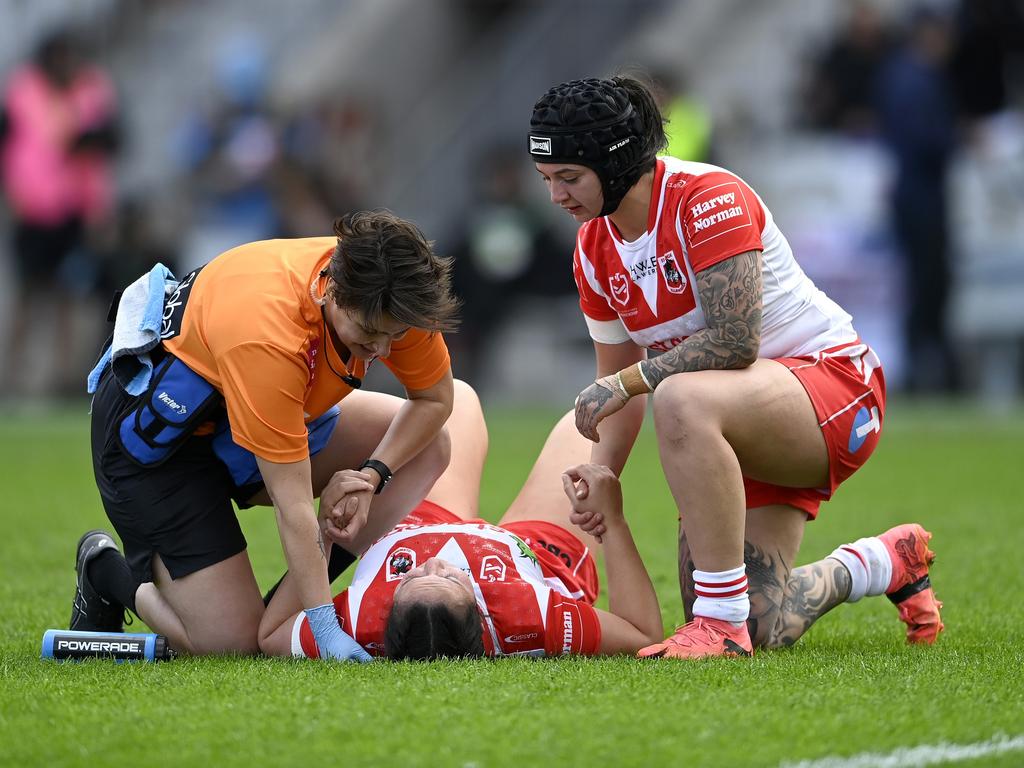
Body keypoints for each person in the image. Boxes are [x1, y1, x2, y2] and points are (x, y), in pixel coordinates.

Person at [526, 76, 943, 658]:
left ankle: (721, 628)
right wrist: (603, 477)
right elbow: (618, 392)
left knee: (682, 397)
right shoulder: (593, 250)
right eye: (548, 179)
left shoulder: (707, 196)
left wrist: (630, 382)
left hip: (832, 386)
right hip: (735, 417)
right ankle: (880, 563)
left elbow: (733, 342)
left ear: (616, 163)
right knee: (764, 619)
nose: (556, 196)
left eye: (569, 178)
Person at [70, 210, 459, 661]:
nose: (385, 350)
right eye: (371, 334)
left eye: (396, 335)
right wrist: (323, 631)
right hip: (154, 446)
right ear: (330, 288)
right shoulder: (270, 336)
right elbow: (293, 506)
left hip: (241, 419)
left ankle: (279, 610)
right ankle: (103, 572)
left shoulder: (397, 296)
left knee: (428, 446)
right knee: (229, 644)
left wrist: (371, 477)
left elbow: (433, 401)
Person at [258, 380, 663, 660]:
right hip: (539, 557)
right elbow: (642, 634)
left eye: (411, 579)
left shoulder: (361, 621)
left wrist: (326, 532)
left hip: (415, 531)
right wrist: (612, 519)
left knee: (457, 398)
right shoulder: (533, 616)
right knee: (607, 414)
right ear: (483, 611)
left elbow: (271, 634)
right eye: (451, 579)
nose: (436, 565)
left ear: (388, 610)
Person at [1, 30, 120, 396]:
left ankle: (65, 379)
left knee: (69, 296)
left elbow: (110, 145)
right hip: (34, 211)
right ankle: (11, 378)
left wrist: (98, 208)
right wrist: (12, 197)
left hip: (74, 211)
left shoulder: (91, 92)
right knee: (29, 295)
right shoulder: (21, 94)